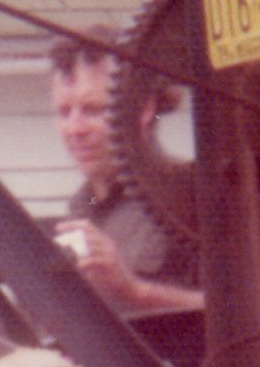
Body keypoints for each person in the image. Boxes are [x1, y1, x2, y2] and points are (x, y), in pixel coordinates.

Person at [49, 31, 202, 312]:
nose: (74, 129)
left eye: (93, 110)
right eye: (64, 112)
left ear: (143, 110)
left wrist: (136, 293)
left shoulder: (195, 195)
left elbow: (256, 312)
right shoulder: (82, 208)